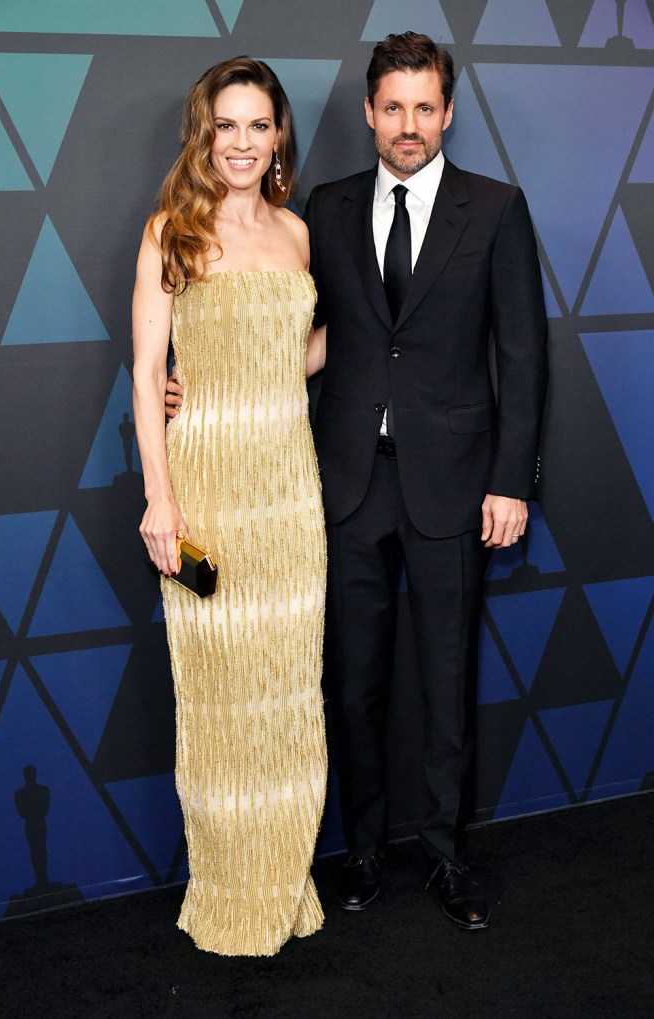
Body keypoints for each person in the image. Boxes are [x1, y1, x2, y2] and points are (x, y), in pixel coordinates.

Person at [167, 32, 548, 932]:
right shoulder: (323, 212)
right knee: (352, 681)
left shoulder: (495, 209)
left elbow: (522, 357)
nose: (408, 125)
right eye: (392, 107)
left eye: (425, 107)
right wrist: (208, 381)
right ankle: (365, 849)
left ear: (446, 113)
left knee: (446, 681)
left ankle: (448, 857)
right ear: (370, 114)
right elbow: (289, 339)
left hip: (455, 486)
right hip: (337, 486)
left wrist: (510, 483)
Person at [132, 56, 328, 957]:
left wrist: (251, 378)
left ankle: (286, 885)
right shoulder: (172, 230)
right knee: (218, 699)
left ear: (278, 134)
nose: (243, 143)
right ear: (203, 133)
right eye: (227, 125)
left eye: (259, 126)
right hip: (206, 488)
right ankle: (228, 892)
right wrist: (159, 501)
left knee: (288, 695)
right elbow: (143, 376)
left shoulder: (296, 234)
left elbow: (296, 351)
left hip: (289, 492)